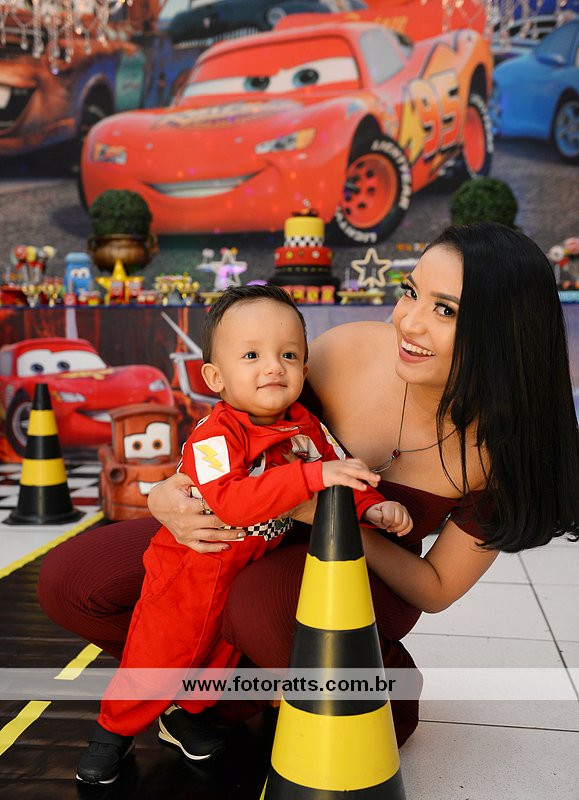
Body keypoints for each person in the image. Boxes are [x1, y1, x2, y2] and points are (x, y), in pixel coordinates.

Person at [38, 223, 578, 774]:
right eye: (410, 292)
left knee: (259, 607)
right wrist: (166, 494)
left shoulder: (507, 451)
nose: (408, 322)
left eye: (445, 310)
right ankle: (203, 692)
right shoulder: (346, 350)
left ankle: (336, 683)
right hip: (250, 533)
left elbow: (435, 588)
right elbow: (238, 417)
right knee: (71, 583)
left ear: (503, 332)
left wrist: (328, 517)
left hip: (364, 573)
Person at [75, 285, 412, 784]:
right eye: (252, 355)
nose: (273, 367)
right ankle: (112, 732)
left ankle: (185, 715)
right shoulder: (214, 436)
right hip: (189, 572)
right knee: (158, 658)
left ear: (304, 368)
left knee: (218, 661)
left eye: (288, 355)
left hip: (244, 571)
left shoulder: (306, 429)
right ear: (216, 377)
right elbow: (230, 500)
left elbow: (337, 477)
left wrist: (372, 507)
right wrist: (312, 476)